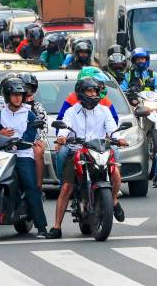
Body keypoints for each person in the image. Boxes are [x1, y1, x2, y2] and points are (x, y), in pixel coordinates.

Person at [48, 77, 127, 239]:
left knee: (116, 176)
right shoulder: (71, 111)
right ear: (81, 93)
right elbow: (64, 127)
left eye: (95, 91)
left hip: (99, 151)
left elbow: (112, 128)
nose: (92, 94)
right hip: (78, 152)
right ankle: (56, 227)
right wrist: (62, 137)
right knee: (66, 187)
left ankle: (112, 202)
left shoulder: (104, 111)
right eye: (89, 91)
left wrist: (118, 138)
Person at [0, 78, 49, 238]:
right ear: (7, 96)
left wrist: (15, 143)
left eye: (20, 95)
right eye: (14, 95)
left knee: (31, 187)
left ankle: (41, 227)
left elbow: (30, 136)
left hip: (22, 155)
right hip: (1, 155)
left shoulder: (30, 114)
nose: (17, 98)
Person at [20, 73, 47, 189]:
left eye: (30, 88)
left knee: (37, 150)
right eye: (24, 88)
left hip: (31, 141)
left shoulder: (37, 107)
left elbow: (43, 126)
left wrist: (39, 139)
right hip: (11, 140)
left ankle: (38, 187)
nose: (27, 91)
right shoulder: (6, 107)